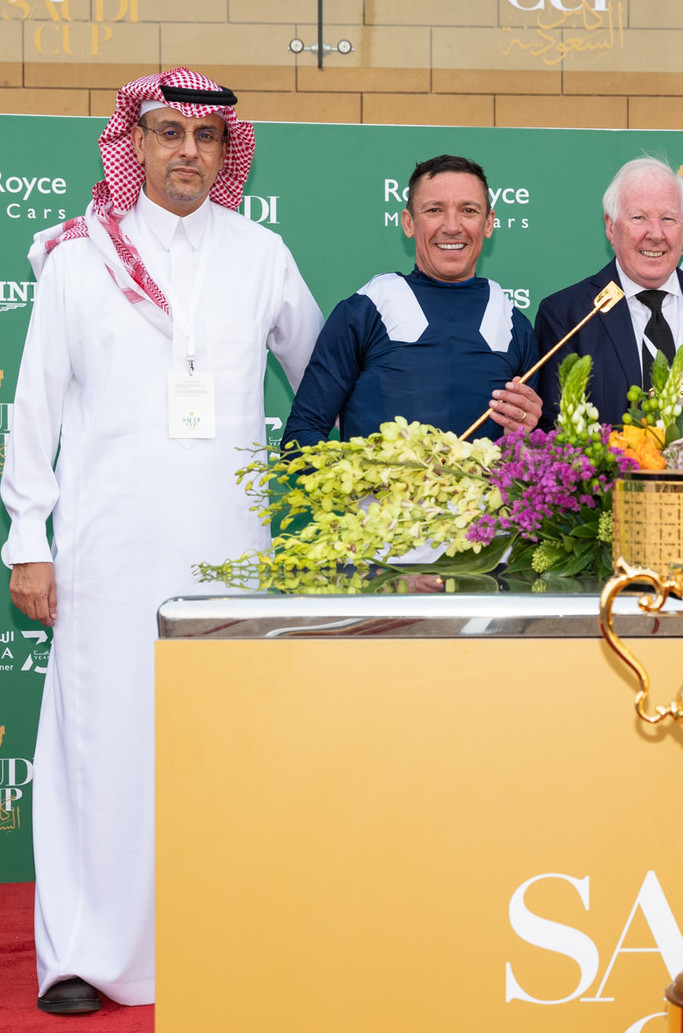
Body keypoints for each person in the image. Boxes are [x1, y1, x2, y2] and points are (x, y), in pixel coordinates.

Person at [0, 69, 323, 1014]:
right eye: (168, 132)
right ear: (134, 144)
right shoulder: (77, 259)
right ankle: (85, 956)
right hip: (106, 551)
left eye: (206, 137)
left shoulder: (261, 253)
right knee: (101, 746)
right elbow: (34, 411)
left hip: (230, 555)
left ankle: (219, 932)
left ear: (228, 153)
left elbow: (316, 378)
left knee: (220, 749)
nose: (188, 151)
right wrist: (28, 536)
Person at [283, 154, 542, 450]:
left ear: (489, 223)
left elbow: (532, 457)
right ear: (408, 222)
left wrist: (525, 440)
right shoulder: (368, 308)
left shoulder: (512, 323)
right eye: (434, 210)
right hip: (380, 498)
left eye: (468, 210)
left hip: (485, 497)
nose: (452, 226)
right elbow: (301, 434)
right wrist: (362, 482)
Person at [535, 157, 683, 427]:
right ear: (609, 227)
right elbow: (558, 431)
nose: (656, 233)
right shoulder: (568, 315)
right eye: (639, 218)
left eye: (668, 218)